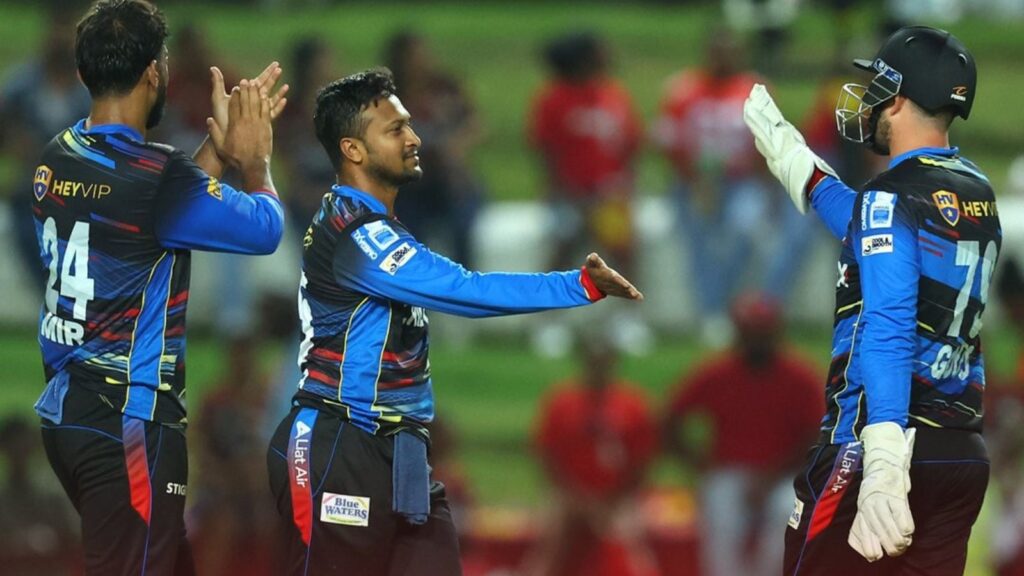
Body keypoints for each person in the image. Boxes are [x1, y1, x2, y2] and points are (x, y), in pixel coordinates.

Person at [265, 69, 642, 576]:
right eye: (395, 129)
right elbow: (464, 289)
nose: (414, 138)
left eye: (408, 124)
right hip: (341, 444)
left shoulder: (375, 228)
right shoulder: (356, 235)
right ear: (353, 149)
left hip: (398, 449)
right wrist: (579, 285)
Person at [31, 1, 288, 574]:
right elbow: (264, 229)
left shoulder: (56, 157)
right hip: (130, 422)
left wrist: (216, 150)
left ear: (84, 72)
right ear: (154, 71)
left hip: (68, 416)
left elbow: (152, 216)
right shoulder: (159, 176)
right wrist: (256, 161)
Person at [743, 26, 999, 575]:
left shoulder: (890, 197)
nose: (870, 101)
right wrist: (797, 163)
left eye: (879, 86)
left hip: (878, 446)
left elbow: (888, 323)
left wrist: (882, 456)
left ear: (900, 99)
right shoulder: (976, 188)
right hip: (959, 451)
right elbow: (867, 224)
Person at [652, 29, 810, 346]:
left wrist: (768, 186)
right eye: (718, 52)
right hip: (693, 182)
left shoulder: (756, 89)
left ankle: (729, 304)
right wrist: (694, 181)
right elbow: (667, 139)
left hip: (742, 180)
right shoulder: (683, 89)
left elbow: (771, 142)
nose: (724, 59)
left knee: (745, 231)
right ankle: (712, 313)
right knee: (700, 244)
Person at [663, 293, 822, 576]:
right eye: (750, 332)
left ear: (776, 332)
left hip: (786, 475)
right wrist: (697, 463)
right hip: (729, 471)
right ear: (738, 332)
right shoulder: (718, 373)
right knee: (720, 511)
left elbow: (817, 437)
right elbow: (670, 420)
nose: (756, 340)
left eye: (762, 332)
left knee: (789, 513)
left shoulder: (799, 376)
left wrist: (771, 477)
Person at [529, 336, 660, 576]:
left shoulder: (632, 403)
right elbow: (547, 455)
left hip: (617, 497)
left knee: (631, 544)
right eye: (593, 361)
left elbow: (642, 459)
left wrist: (612, 500)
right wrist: (577, 498)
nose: (598, 367)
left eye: (603, 362)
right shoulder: (563, 402)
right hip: (569, 494)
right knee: (550, 546)